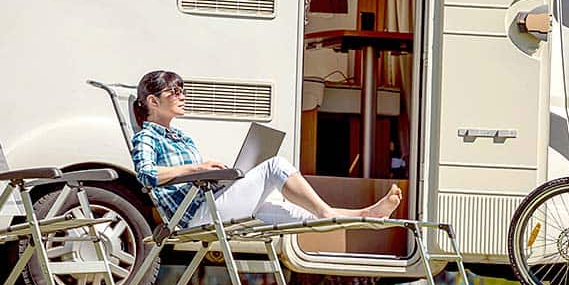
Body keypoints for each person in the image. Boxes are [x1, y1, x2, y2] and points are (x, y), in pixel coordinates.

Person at [131, 70, 402, 227]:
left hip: (211, 202)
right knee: (275, 165)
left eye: (182, 90)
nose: (182, 96)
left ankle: (365, 215)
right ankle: (332, 212)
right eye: (173, 92)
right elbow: (145, 175)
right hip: (194, 216)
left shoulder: (181, 137)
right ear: (153, 101)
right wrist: (197, 168)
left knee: (294, 213)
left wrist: (219, 174)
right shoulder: (147, 137)